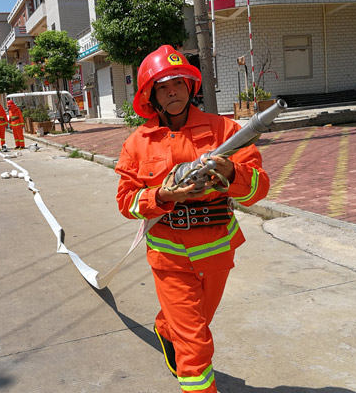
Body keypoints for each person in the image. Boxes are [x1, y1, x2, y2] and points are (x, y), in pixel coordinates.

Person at [115, 45, 270, 393]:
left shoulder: (225, 130)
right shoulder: (137, 143)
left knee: (194, 323)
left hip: (217, 251)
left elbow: (259, 188)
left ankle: (165, 327)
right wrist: (163, 195)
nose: (173, 91)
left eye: (179, 83)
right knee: (196, 346)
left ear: (190, 87)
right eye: (163, 86)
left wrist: (231, 172)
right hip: (169, 255)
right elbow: (127, 202)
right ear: (151, 95)